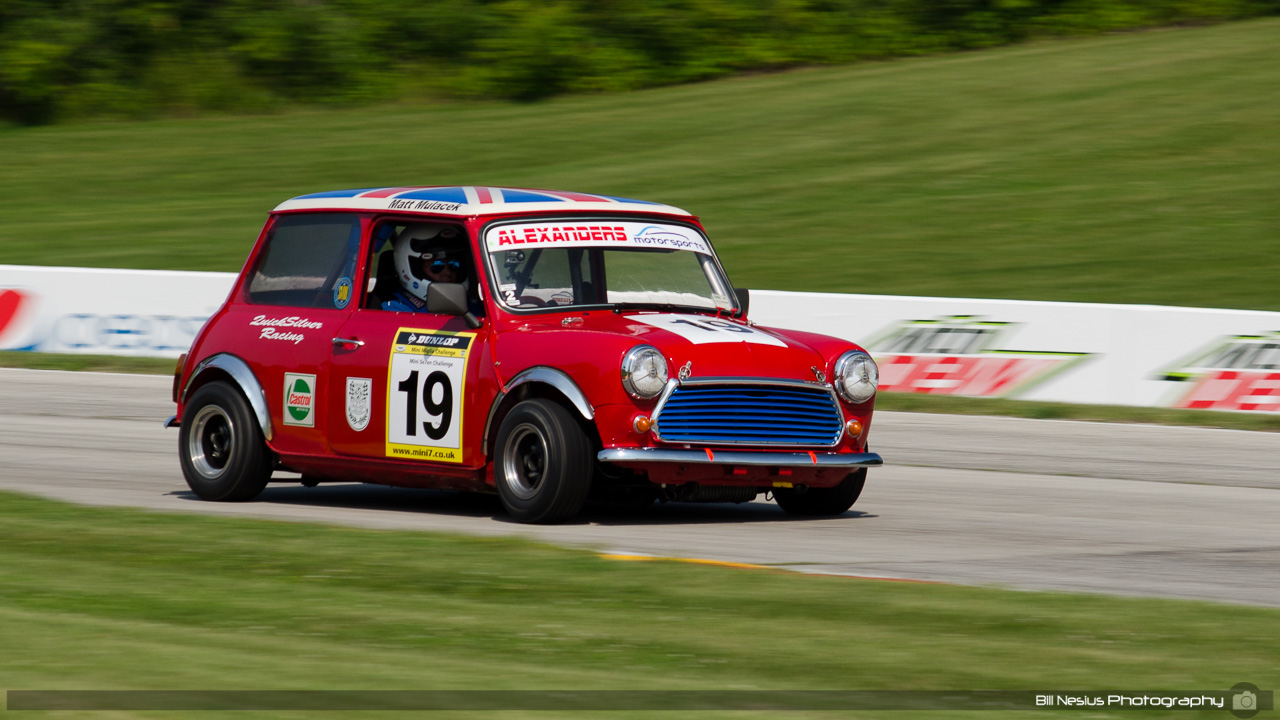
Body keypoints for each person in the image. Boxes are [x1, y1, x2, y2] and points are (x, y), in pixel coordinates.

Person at [381, 223, 468, 312]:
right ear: (413, 268)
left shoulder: (469, 304)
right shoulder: (396, 311)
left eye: (454, 265)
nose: (447, 273)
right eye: (437, 266)